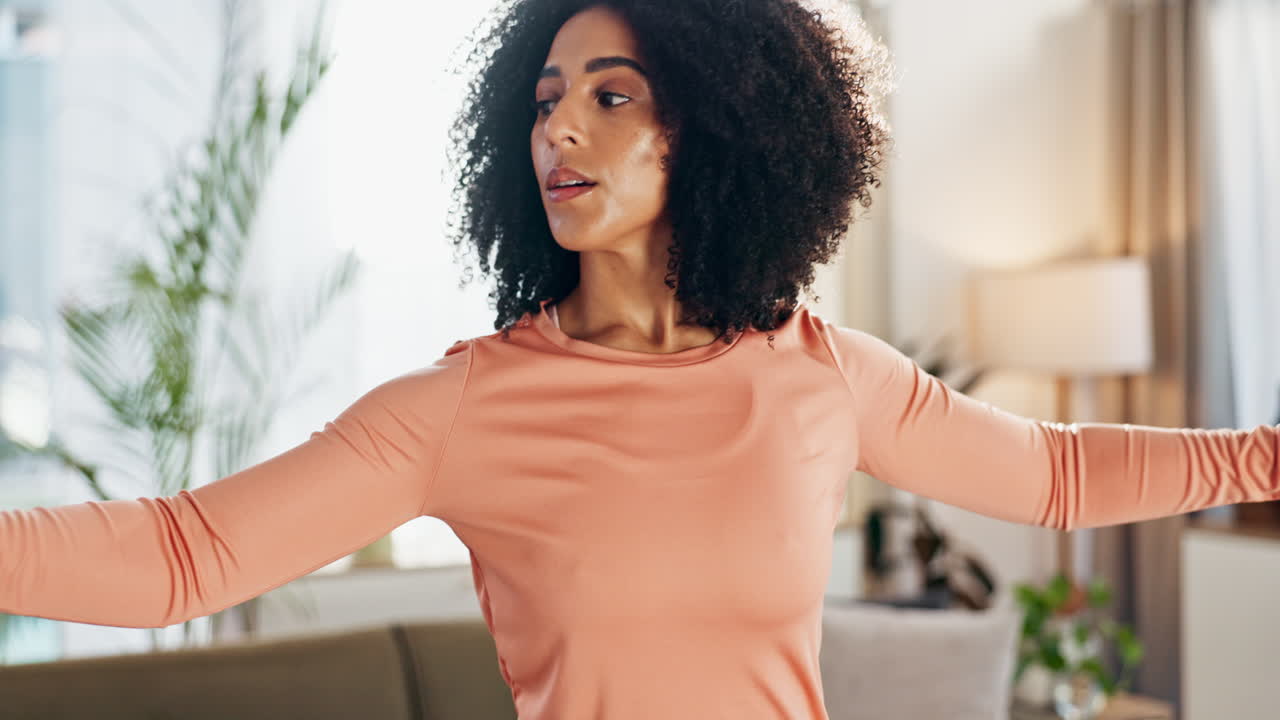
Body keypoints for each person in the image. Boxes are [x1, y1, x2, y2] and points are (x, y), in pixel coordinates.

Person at [3, 1, 1277, 718]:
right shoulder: (464, 407)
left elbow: (1054, 476)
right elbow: (184, 559)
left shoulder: (818, 375)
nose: (558, 125)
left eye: (610, 95)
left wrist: (1265, 457)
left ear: (720, 133)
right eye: (547, 96)